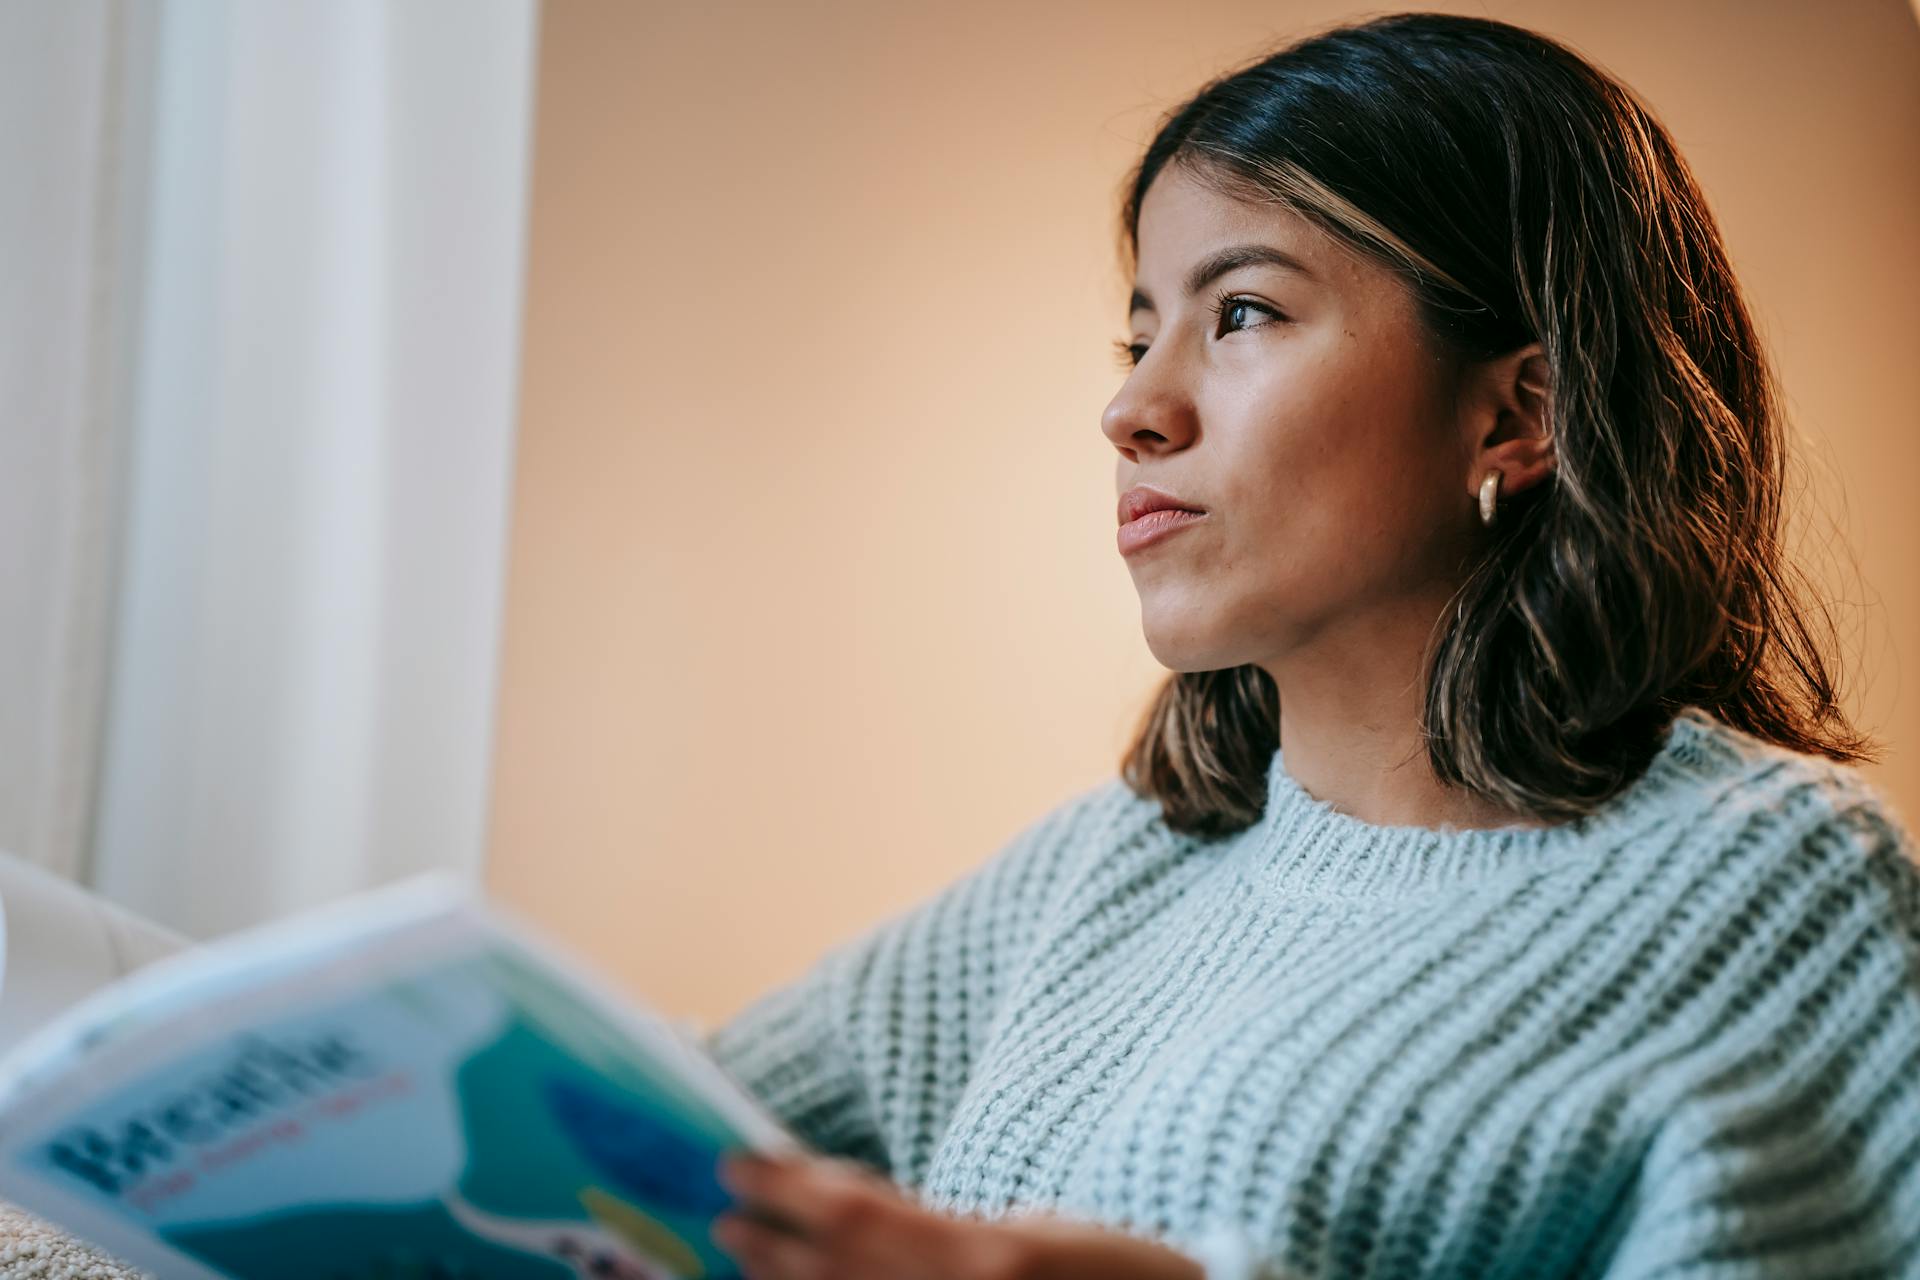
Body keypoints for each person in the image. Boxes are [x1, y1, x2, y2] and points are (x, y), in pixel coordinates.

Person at [697, 11, 1920, 1279]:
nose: (1131, 408)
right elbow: (671, 1135)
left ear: (1520, 413)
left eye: (1240, 312)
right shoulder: (1113, 864)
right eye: (1138, 337)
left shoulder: (1770, 888)